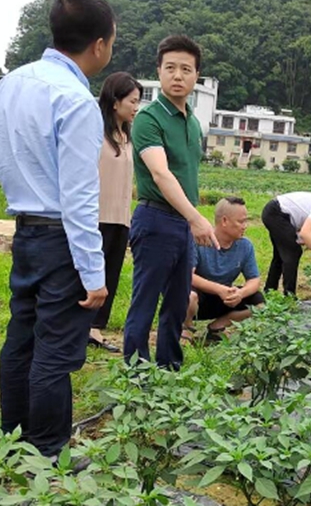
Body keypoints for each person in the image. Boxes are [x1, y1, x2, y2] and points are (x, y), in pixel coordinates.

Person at [0, 0, 115, 458]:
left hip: (27, 229)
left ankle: (13, 439)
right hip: (62, 237)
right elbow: (80, 197)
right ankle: (48, 452)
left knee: (21, 336)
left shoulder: (9, 85)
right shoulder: (76, 100)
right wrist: (94, 275)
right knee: (54, 352)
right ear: (101, 44)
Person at [123, 34, 218, 370]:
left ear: (196, 77)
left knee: (178, 302)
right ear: (159, 72)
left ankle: (168, 367)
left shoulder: (193, 123)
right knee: (145, 301)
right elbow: (162, 175)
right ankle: (136, 373)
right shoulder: (149, 119)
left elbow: (187, 174)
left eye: (186, 69)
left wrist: (191, 219)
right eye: (171, 68)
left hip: (182, 223)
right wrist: (196, 217)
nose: (178, 76)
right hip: (156, 219)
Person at [88, 73, 142, 353]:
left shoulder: (126, 137)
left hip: (121, 217)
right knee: (88, 274)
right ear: (114, 101)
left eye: (138, 102)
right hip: (96, 216)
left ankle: (95, 329)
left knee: (111, 274)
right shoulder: (96, 133)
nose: (136, 107)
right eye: (132, 101)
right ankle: (78, 327)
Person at [184, 197, 264, 343]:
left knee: (259, 303)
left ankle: (217, 327)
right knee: (188, 295)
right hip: (198, 299)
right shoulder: (199, 241)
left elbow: (254, 279)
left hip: (225, 299)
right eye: (241, 221)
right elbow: (187, 275)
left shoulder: (245, 246)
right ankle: (185, 327)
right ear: (225, 221)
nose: (245, 226)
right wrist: (218, 289)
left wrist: (240, 293)